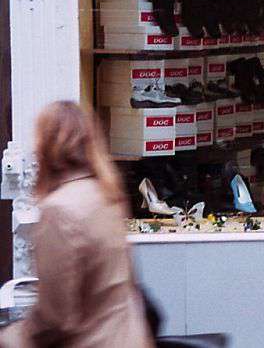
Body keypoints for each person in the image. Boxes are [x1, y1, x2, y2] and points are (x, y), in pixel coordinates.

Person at [0, 101, 155, 348]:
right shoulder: (107, 196)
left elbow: (55, 319)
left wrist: (10, 337)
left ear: (46, 147)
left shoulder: (59, 210)